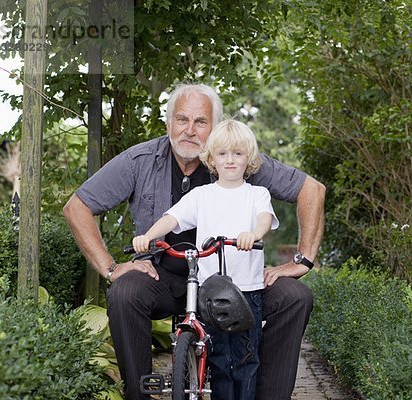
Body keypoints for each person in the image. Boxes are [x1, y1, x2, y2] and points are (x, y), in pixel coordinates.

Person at [63, 83, 326, 400]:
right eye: (181, 119)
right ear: (168, 123)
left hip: (233, 280)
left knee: (295, 297)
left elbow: (312, 190)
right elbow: (77, 207)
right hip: (164, 277)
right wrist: (110, 268)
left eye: (201, 122)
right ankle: (139, 395)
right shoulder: (139, 161)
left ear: (214, 128)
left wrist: (302, 261)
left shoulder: (234, 157)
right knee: (124, 293)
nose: (189, 130)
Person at [132, 119, 278, 399]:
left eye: (238, 154)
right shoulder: (202, 196)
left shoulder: (257, 194)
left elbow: (264, 220)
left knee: (246, 360)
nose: (230, 160)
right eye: (222, 154)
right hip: (211, 292)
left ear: (249, 158)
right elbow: (170, 218)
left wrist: (253, 234)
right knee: (219, 360)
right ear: (211, 159)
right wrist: (148, 237)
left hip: (246, 291)